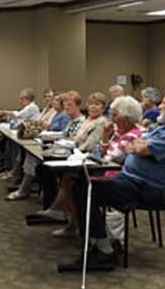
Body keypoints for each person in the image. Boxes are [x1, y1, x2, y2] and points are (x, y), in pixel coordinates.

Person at [61, 91, 165, 271]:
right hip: (130, 180)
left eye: (164, 103)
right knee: (80, 185)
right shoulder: (162, 128)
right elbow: (136, 145)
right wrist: (138, 146)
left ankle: (104, 250)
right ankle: (105, 243)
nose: (160, 106)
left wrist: (139, 147)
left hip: (149, 188)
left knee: (86, 191)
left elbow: (140, 148)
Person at [45, 96, 144, 235]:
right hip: (105, 167)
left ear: (126, 117)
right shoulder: (118, 131)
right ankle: (76, 223)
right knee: (70, 178)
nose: (112, 119)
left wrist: (101, 152)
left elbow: (114, 157)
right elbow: (104, 152)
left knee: (75, 183)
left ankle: (86, 228)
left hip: (115, 173)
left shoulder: (134, 134)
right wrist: (105, 137)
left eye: (115, 115)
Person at [6, 90, 84, 201]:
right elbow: (62, 134)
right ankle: (28, 188)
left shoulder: (80, 121)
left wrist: (49, 136)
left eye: (70, 105)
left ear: (78, 105)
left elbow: (73, 140)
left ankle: (27, 190)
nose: (66, 108)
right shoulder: (70, 119)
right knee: (33, 157)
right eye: (65, 105)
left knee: (39, 161)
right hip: (59, 148)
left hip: (70, 155)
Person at [0, 87, 40, 168]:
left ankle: (2, 164)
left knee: (7, 141)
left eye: (21, 99)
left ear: (27, 98)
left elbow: (19, 115)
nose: (20, 101)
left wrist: (4, 112)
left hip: (29, 134)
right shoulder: (27, 107)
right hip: (23, 131)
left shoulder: (32, 107)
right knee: (3, 139)